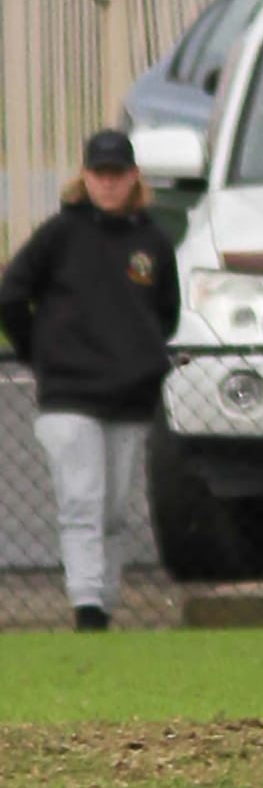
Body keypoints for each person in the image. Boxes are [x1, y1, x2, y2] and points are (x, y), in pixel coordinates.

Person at [0, 129, 180, 631]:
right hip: (68, 394)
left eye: (117, 174)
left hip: (130, 396)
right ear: (84, 176)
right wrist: (41, 352)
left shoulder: (153, 240)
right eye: (99, 174)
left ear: (134, 177)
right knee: (80, 499)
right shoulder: (59, 234)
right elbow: (11, 294)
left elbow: (166, 312)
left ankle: (107, 595)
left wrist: (141, 356)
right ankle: (87, 607)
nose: (108, 183)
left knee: (114, 507)